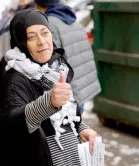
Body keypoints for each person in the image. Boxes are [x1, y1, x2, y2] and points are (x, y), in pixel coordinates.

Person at [2, 9, 97, 166]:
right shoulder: (15, 77)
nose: (41, 41)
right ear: (21, 41)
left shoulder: (55, 66)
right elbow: (13, 125)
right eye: (32, 37)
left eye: (45, 33)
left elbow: (70, 113)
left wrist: (81, 129)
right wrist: (49, 103)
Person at [35, 0, 101, 113]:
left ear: (42, 6)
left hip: (67, 92)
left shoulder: (49, 24)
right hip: (80, 87)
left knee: (67, 128)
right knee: (77, 125)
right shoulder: (74, 20)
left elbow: (51, 60)